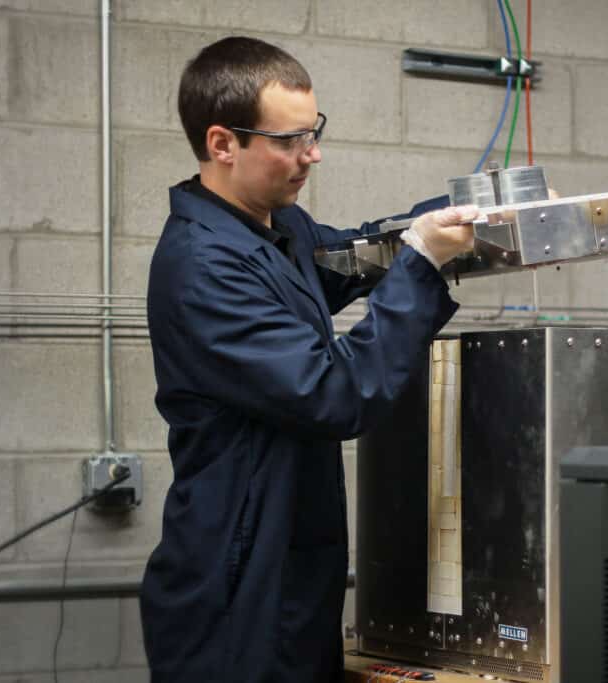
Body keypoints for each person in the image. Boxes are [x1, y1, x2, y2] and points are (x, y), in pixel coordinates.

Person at [140, 36, 477, 683]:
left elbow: (352, 254)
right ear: (222, 144)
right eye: (290, 140)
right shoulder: (202, 267)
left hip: (291, 583)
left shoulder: (272, 228)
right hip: (236, 593)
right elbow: (335, 392)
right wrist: (423, 262)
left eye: (313, 132)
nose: (311, 155)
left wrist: (446, 219)